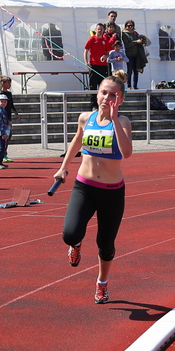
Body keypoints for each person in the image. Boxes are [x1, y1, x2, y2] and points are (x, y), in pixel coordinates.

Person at [52, 74, 133, 304]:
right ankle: (76, 245)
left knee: (105, 245)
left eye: (113, 95)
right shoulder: (85, 118)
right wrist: (63, 168)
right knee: (70, 234)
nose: (107, 98)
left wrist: (114, 119)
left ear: (121, 99)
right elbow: (77, 140)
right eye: (104, 93)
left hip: (112, 192)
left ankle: (102, 283)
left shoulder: (123, 122)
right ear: (97, 94)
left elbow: (127, 153)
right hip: (85, 187)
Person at [84, 23, 113, 110]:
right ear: (95, 30)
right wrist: (86, 63)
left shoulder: (105, 40)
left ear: (104, 30)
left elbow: (108, 52)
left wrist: (105, 56)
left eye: (101, 29)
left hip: (103, 66)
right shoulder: (92, 39)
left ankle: (102, 104)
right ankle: (94, 105)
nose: (100, 31)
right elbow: (86, 51)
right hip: (93, 65)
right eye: (98, 29)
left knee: (103, 86)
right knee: (93, 86)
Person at [0, 76, 20, 163]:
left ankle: (4, 153)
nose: (9, 85)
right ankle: (2, 154)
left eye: (10, 83)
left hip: (8, 117)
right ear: (2, 84)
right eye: (8, 83)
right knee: (3, 135)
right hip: (2, 118)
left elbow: (11, 105)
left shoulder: (9, 94)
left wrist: (16, 113)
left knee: (8, 135)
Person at [121, 20, 148, 89]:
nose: (130, 27)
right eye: (128, 25)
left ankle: (135, 86)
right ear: (126, 26)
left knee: (136, 71)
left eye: (131, 25)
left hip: (137, 55)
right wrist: (136, 42)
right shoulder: (124, 34)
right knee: (129, 71)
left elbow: (140, 41)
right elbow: (126, 45)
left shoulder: (135, 33)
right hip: (129, 54)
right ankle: (129, 85)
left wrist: (142, 40)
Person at [0, 94, 11, 169]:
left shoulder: (4, 111)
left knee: (3, 148)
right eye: (1, 101)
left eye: (5, 102)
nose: (3, 103)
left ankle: (0, 162)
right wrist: (2, 133)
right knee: (0, 148)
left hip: (3, 132)